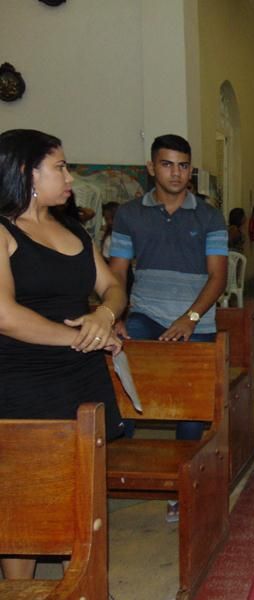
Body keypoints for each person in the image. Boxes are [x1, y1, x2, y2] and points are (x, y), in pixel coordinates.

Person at [0, 129, 126, 580]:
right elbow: (5, 316)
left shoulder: (70, 228)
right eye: (59, 167)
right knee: (27, 496)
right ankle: (20, 590)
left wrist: (104, 318)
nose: (69, 176)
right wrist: (80, 336)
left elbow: (112, 285)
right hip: (24, 382)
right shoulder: (3, 231)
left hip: (81, 379)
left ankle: (86, 583)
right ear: (25, 173)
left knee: (82, 490)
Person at [109, 133, 228, 522]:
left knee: (190, 403)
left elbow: (217, 278)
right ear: (151, 168)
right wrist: (117, 319)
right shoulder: (129, 214)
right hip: (147, 314)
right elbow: (118, 275)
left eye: (182, 165)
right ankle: (120, 460)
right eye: (166, 164)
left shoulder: (208, 215)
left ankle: (182, 486)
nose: (175, 173)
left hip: (197, 318)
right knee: (116, 364)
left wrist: (190, 319)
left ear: (190, 170)